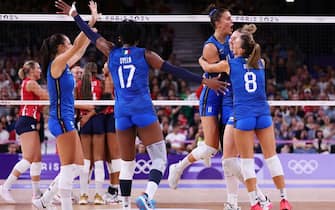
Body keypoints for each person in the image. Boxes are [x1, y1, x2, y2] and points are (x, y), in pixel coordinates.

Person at [55, 1, 227, 209]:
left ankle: (125, 204)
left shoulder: (111, 51)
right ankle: (147, 195)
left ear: (120, 37)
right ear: (138, 37)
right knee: (159, 159)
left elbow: (92, 36)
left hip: (122, 113)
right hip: (143, 111)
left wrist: (74, 14)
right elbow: (173, 70)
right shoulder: (146, 54)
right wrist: (204, 80)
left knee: (127, 164)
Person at [199, 24, 292, 210]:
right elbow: (249, 50)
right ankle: (284, 200)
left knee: (246, 161)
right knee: (272, 158)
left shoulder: (229, 64)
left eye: (234, 43)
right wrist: (242, 36)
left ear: (241, 49)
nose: (231, 45)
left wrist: (201, 59)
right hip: (263, 114)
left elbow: (208, 67)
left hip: (243, 116)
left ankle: (254, 203)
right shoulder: (261, 62)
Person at [32, 2, 98, 210]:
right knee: (70, 168)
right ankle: (64, 206)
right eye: (67, 43)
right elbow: (77, 47)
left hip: (65, 119)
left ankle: (44, 200)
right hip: (61, 119)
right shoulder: (58, 63)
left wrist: (91, 26)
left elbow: (80, 48)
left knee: (78, 167)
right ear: (60, 48)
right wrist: (86, 22)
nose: (70, 45)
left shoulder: (64, 64)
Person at [0, 60, 48, 203]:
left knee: (37, 159)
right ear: (31, 70)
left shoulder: (31, 82)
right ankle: (5, 187)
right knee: (28, 158)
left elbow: (42, 104)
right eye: (38, 68)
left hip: (32, 121)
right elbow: (47, 98)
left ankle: (36, 194)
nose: (40, 71)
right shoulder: (31, 83)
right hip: (26, 120)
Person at [77, 62, 106, 205]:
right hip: (99, 120)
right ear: (96, 71)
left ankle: (83, 195)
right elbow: (103, 104)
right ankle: (99, 196)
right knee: (99, 160)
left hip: (84, 120)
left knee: (86, 161)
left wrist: (84, 117)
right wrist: (92, 114)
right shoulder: (101, 83)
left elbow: (74, 103)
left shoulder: (79, 84)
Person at [101, 62, 122, 204]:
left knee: (115, 155)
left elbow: (107, 97)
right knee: (109, 156)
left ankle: (119, 190)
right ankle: (113, 188)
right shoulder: (111, 78)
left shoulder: (111, 78)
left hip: (113, 116)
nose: (103, 68)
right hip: (107, 116)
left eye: (105, 66)